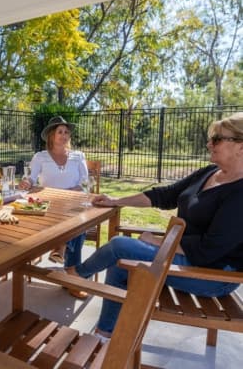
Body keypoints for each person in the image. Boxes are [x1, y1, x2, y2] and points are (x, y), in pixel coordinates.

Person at [67, 112, 243, 338]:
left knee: (120, 246)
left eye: (217, 139)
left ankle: (77, 274)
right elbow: (166, 195)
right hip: (184, 258)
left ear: (240, 147)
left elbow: (209, 249)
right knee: (121, 261)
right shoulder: (210, 173)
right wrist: (116, 201)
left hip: (212, 275)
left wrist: (159, 242)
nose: (209, 143)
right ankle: (105, 332)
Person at [19, 116, 90, 298]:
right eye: (60, 131)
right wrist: (26, 182)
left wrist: (76, 189)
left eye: (67, 132)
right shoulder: (40, 157)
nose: (64, 135)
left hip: (73, 202)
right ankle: (72, 273)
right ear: (52, 135)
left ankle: (61, 247)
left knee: (79, 221)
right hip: (47, 203)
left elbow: (85, 182)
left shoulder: (78, 156)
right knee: (78, 226)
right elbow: (31, 179)